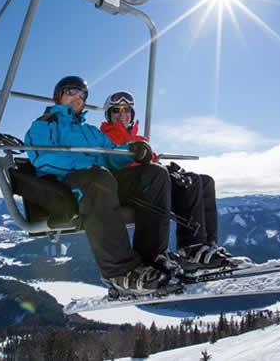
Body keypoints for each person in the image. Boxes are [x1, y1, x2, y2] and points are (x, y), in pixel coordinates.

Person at [25, 76, 181, 296]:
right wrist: (86, 164)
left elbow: (110, 154)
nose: (77, 97)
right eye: (71, 91)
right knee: (98, 179)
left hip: (101, 178)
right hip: (67, 182)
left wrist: (132, 151)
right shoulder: (44, 124)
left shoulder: (90, 131)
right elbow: (42, 158)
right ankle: (118, 272)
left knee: (155, 174)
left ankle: (151, 258)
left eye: (82, 95)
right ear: (58, 95)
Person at [99, 90, 252, 275]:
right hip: (125, 185)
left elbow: (152, 164)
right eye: (116, 110)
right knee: (160, 175)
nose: (122, 114)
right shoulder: (103, 136)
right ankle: (156, 255)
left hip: (150, 180)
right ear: (108, 114)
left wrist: (171, 172)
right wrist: (141, 158)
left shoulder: (139, 139)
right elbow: (110, 160)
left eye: (127, 110)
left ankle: (200, 247)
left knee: (199, 181)